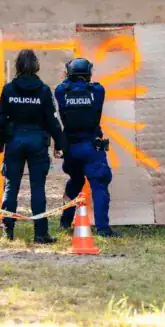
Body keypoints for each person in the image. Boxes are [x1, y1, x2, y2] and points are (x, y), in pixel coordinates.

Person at [0, 49, 66, 243]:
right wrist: (60, 143)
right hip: (37, 142)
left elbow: (0, 118)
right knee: (38, 187)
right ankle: (41, 233)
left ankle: (8, 232)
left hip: (14, 141)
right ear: (36, 66)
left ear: (18, 65)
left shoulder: (9, 89)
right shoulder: (43, 90)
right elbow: (52, 120)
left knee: (11, 186)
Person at [54, 58, 117, 238]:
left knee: (75, 182)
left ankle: (65, 223)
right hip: (91, 147)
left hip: (71, 148)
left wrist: (67, 78)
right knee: (99, 185)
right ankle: (103, 228)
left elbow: (64, 85)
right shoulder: (97, 90)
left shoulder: (61, 91)